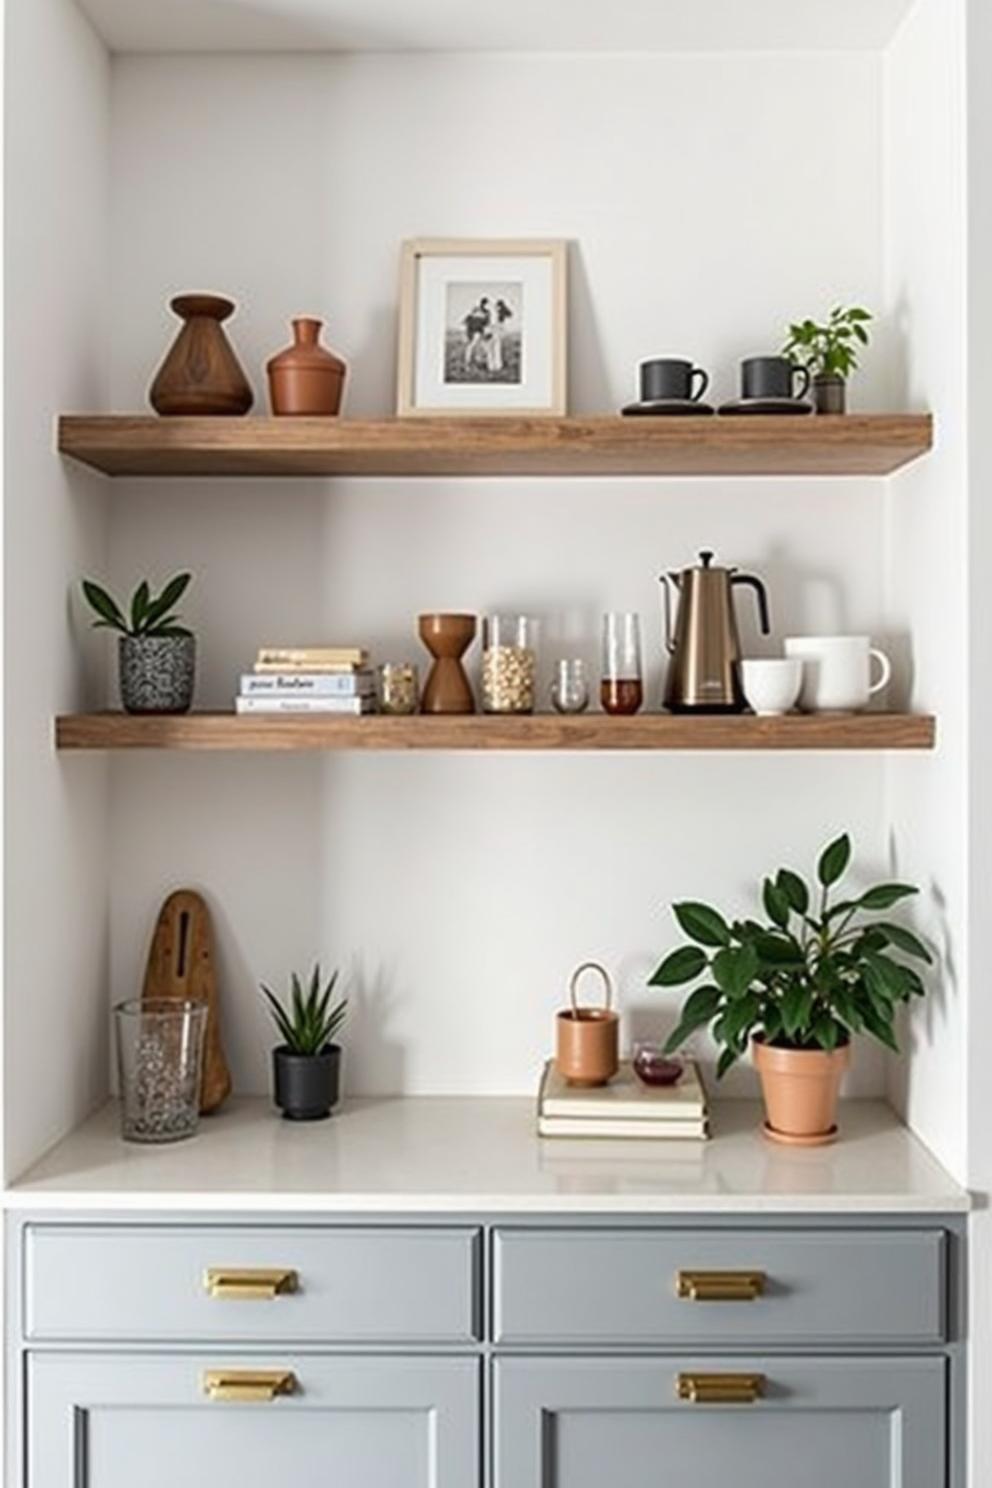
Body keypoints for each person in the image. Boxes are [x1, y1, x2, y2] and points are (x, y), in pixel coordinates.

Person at [462, 297, 490, 371]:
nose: (484, 305)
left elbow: (486, 323)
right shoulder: (478, 311)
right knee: (472, 347)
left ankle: (475, 364)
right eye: (484, 304)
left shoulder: (485, 312)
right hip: (474, 332)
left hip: (478, 332)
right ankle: (468, 365)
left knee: (477, 348)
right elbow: (466, 321)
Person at [487, 298, 514, 373]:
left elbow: (494, 323)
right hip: (497, 330)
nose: (496, 307)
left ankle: (494, 366)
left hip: (495, 330)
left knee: (493, 347)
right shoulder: (500, 313)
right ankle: (496, 365)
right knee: (496, 347)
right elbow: (510, 314)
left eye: (497, 305)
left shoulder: (498, 313)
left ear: (499, 306)